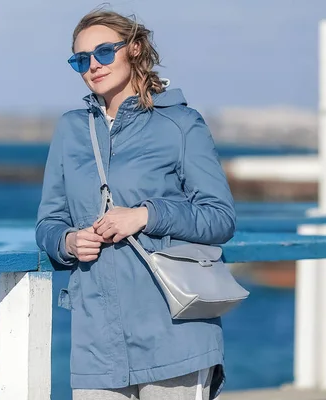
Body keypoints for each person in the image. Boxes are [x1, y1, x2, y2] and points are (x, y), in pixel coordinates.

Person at [35, 8, 236, 400]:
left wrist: (146, 215)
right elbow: (49, 221)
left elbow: (220, 217)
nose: (93, 65)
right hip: (96, 342)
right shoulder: (71, 129)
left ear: (135, 49)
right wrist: (67, 242)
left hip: (175, 335)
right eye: (81, 59)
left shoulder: (180, 124)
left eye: (105, 52)